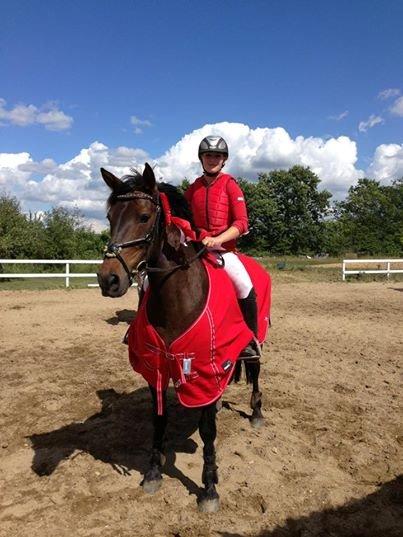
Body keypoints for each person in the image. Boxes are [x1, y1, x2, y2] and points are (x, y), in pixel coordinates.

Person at [185, 135, 260, 358]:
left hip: (224, 251)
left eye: (217, 156)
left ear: (224, 159)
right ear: (201, 158)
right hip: (197, 249)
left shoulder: (230, 185)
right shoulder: (193, 188)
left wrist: (219, 240)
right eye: (208, 155)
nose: (212, 159)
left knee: (245, 286)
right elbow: (182, 215)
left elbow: (242, 223)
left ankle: (250, 340)